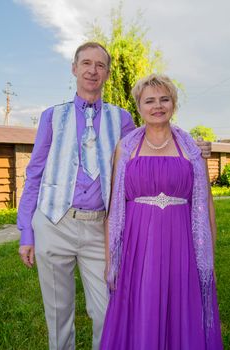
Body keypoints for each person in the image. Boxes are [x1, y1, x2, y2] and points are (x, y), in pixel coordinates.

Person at [17, 42, 211, 350]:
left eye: (100, 65)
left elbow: (155, 136)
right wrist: (27, 231)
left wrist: (194, 146)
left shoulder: (121, 119)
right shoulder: (51, 117)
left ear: (107, 72)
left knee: (107, 312)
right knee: (58, 312)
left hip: (98, 226)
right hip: (54, 223)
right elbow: (34, 175)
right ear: (74, 68)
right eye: (86, 63)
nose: (93, 70)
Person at [100, 74, 223, 350]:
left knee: (181, 307)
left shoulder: (192, 148)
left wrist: (209, 259)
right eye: (150, 101)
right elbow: (115, 206)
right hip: (137, 245)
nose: (158, 106)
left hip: (182, 246)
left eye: (164, 99)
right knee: (141, 305)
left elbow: (206, 209)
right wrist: (111, 261)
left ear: (174, 104)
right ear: (139, 106)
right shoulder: (126, 148)